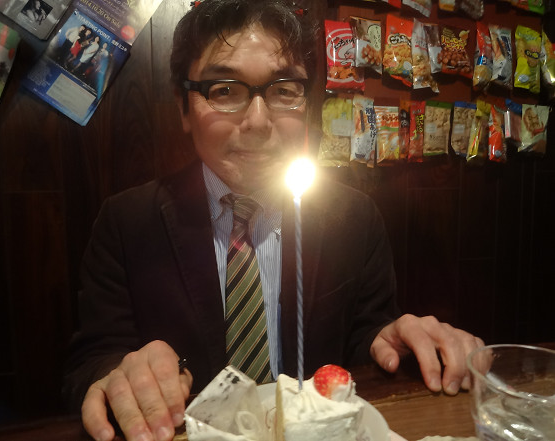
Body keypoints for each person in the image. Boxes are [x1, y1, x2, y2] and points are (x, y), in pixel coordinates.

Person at [63, 1, 484, 441]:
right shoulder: (127, 222)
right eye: (224, 90)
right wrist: (117, 376)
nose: (259, 122)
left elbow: (364, 340)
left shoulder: (353, 218)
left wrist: (393, 341)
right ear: (184, 108)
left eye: (284, 90)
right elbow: (91, 363)